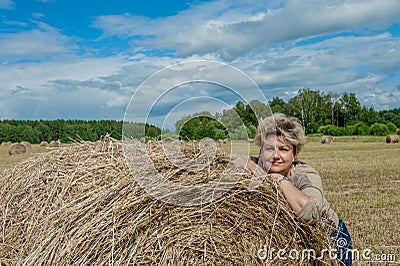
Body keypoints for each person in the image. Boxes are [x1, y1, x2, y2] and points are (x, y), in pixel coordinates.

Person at [237, 113, 352, 265]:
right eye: (269, 149)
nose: (275, 156)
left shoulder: (305, 175)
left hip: (331, 240)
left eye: (283, 149)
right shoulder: (258, 165)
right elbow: (216, 157)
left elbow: (311, 213)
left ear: (295, 153)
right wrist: (242, 161)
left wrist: (279, 179)